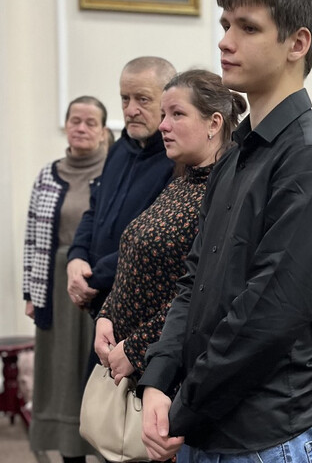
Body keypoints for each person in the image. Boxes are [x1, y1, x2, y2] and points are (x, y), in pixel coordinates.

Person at [138, 0, 312, 462]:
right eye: (225, 25)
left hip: (266, 437)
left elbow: (268, 316)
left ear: (297, 43)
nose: (225, 41)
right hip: (204, 421)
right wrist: (159, 376)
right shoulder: (239, 150)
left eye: (247, 27)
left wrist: (184, 406)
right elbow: (195, 279)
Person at [94, 70, 246, 388]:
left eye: (177, 114)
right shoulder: (181, 181)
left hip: (164, 371)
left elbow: (202, 295)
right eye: (164, 115)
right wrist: (106, 316)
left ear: (214, 124)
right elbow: (134, 259)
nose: (163, 125)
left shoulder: (225, 194)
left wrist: (137, 348)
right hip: (123, 357)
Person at [22, 96, 108, 463]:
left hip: (98, 285)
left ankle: (100, 442)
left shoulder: (113, 171)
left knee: (94, 370)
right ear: (67, 125)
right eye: (75, 120)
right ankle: (68, 451)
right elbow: (32, 237)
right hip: (55, 289)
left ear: (103, 131)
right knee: (58, 373)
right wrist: (31, 293)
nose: (81, 128)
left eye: (90, 122)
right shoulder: (47, 174)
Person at [66, 56, 176, 319]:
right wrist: (76, 257)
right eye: (125, 99)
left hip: (140, 306)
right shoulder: (118, 149)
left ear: (167, 101)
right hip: (98, 296)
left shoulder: (176, 161)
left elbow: (153, 242)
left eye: (143, 99)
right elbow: (94, 210)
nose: (131, 109)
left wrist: (92, 278)